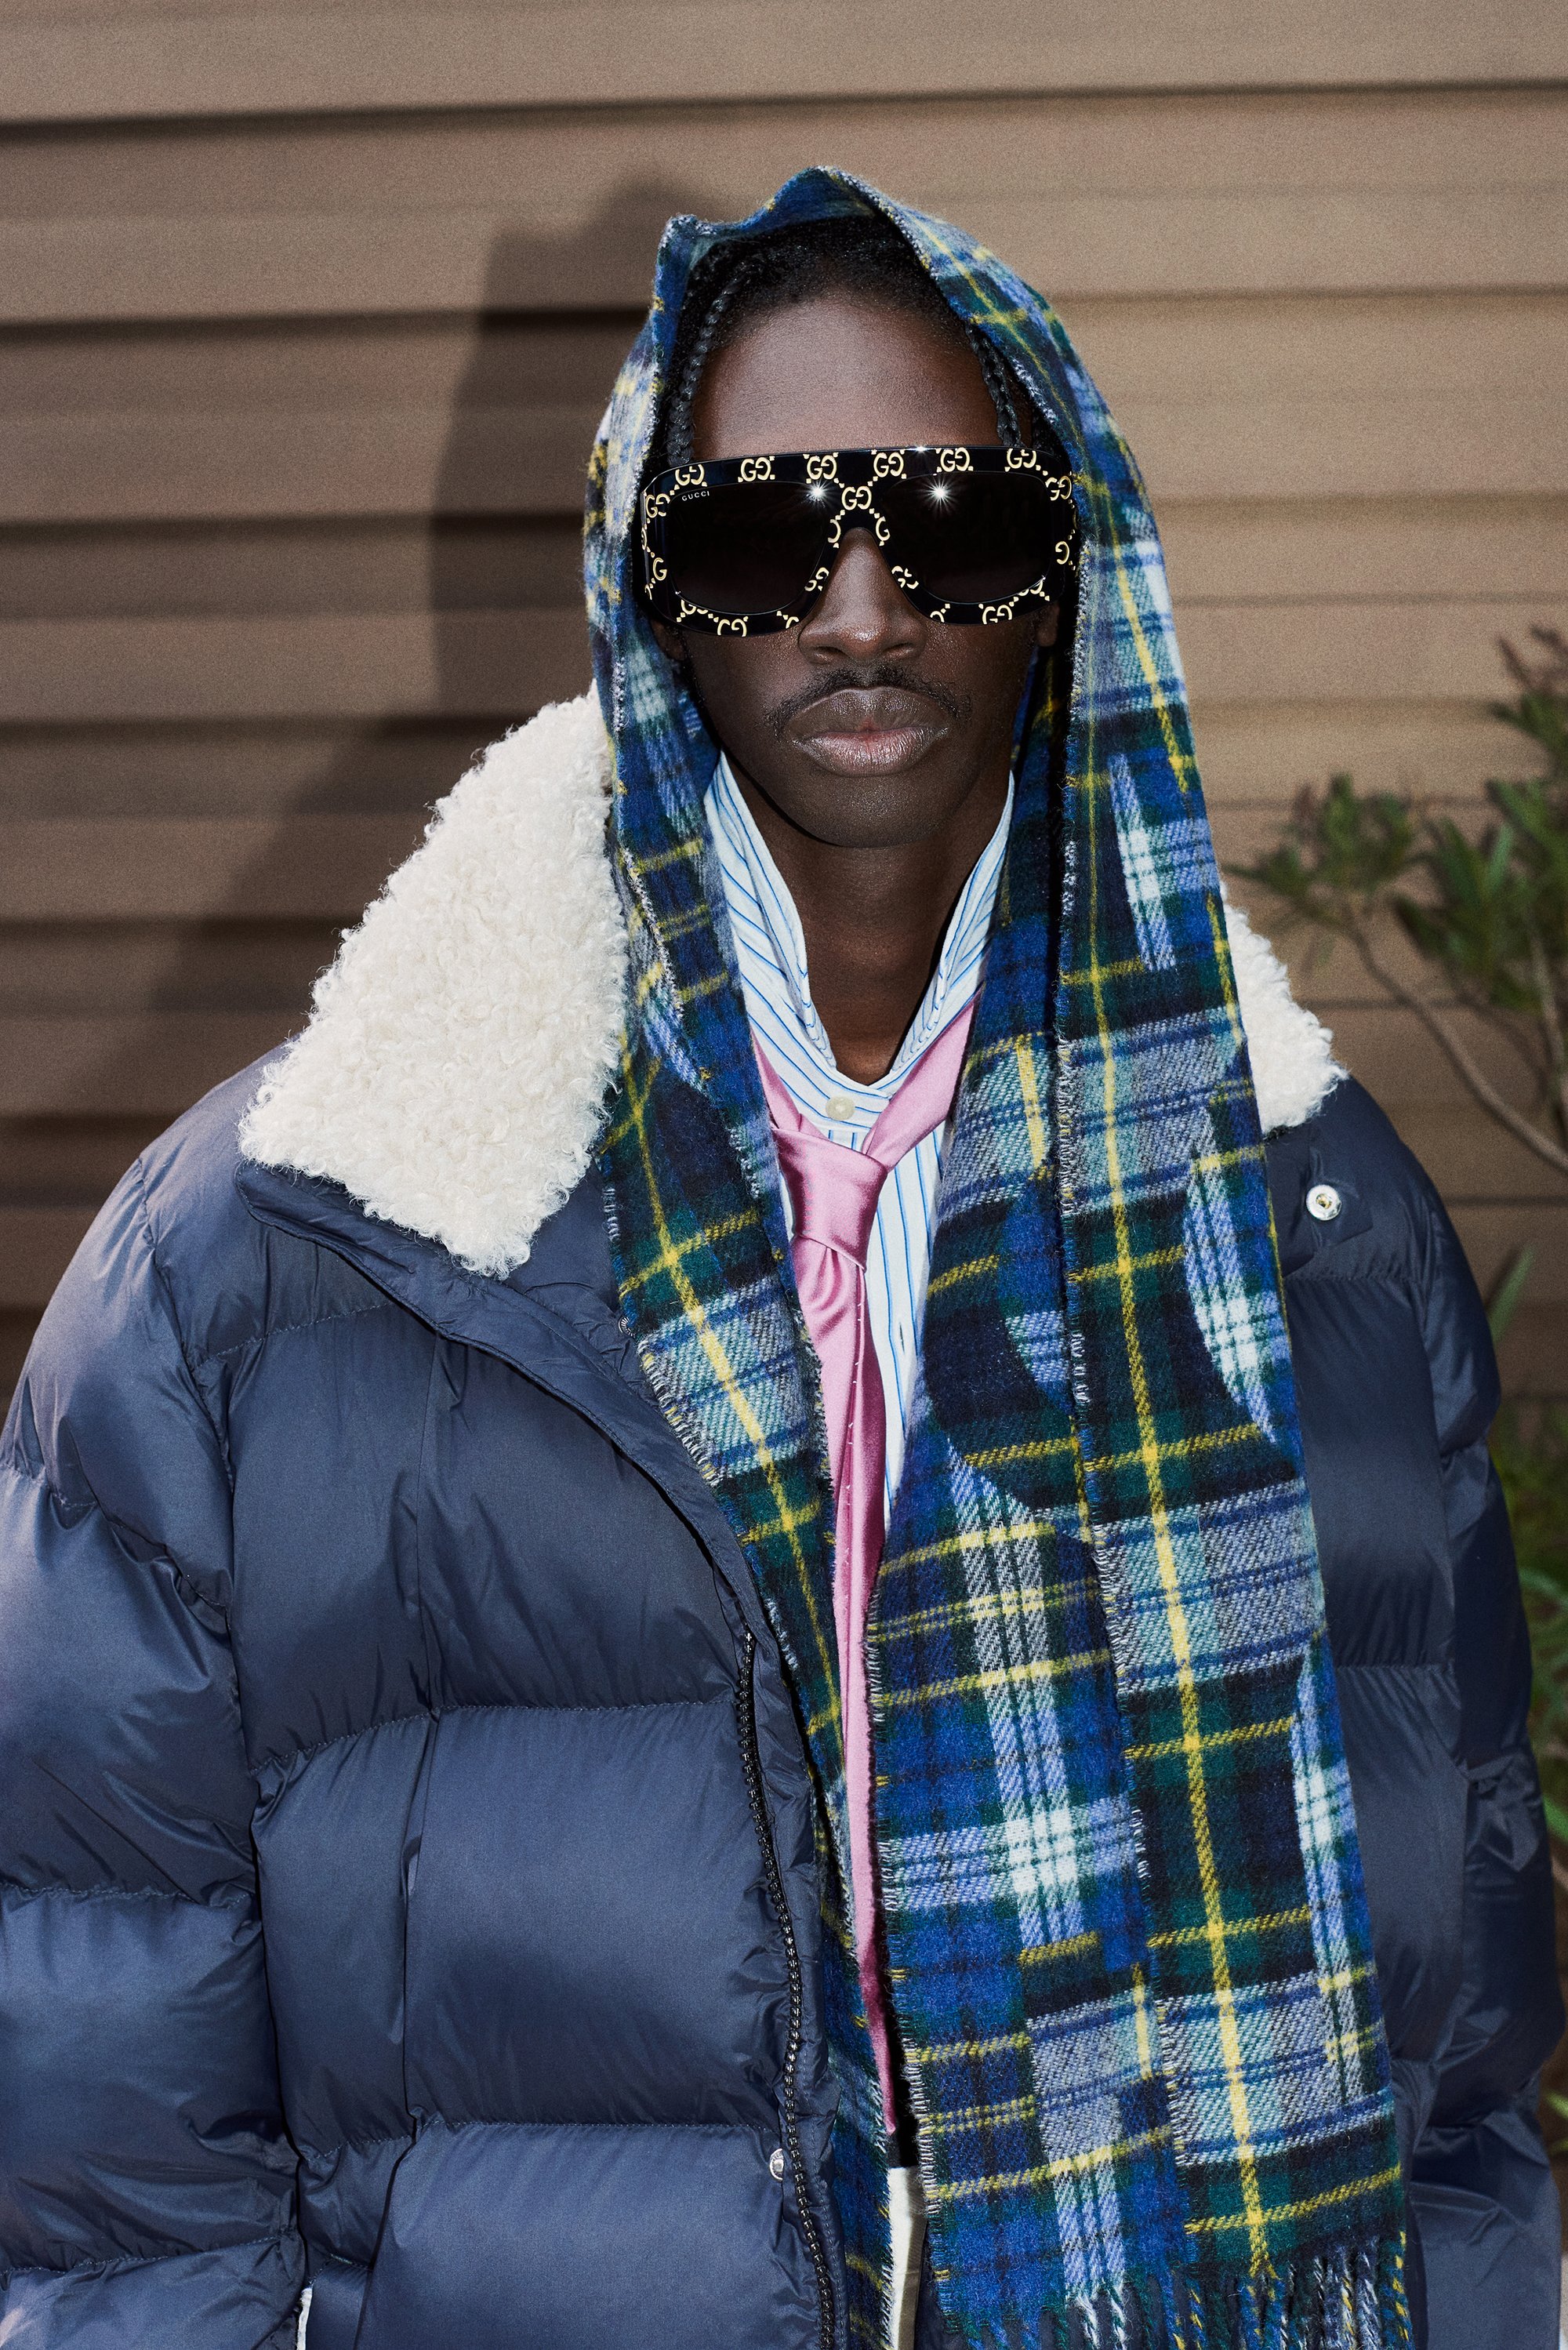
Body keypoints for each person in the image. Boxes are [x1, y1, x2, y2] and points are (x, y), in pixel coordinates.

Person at [0, 172, 1557, 2350]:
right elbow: (105, 2178)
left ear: (1067, 573)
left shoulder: (1322, 1234)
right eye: (756, 532)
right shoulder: (259, 1270)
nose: (855, 604)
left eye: (953, 523)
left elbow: (1459, 2106)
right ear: (648, 589)